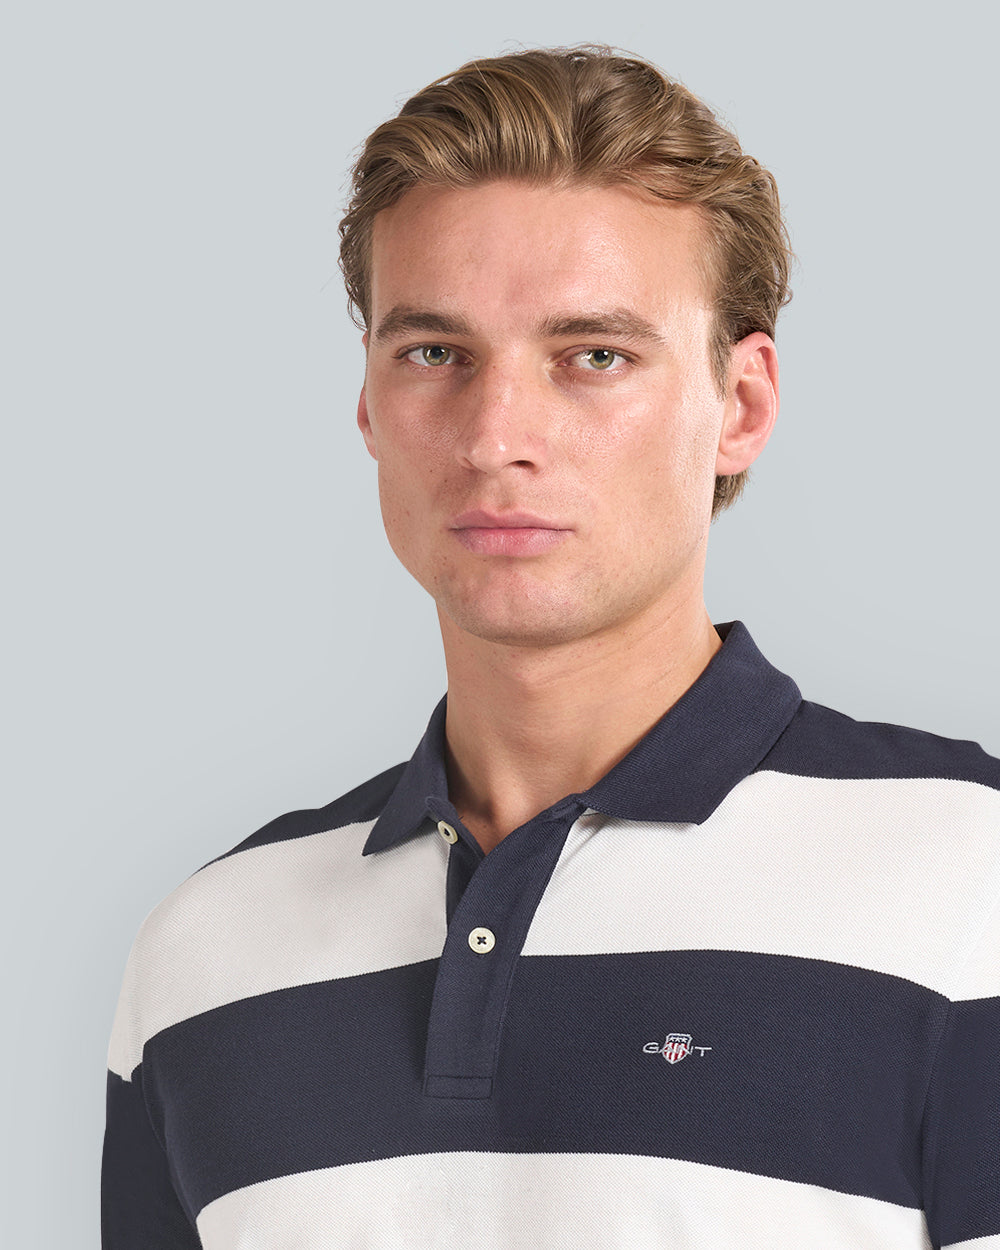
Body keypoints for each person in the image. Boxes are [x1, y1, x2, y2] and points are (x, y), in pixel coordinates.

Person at [102, 46, 1000, 1250]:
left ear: (739, 406)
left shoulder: (970, 876)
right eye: (434, 352)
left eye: (594, 356)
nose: (494, 435)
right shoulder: (208, 950)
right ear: (368, 402)